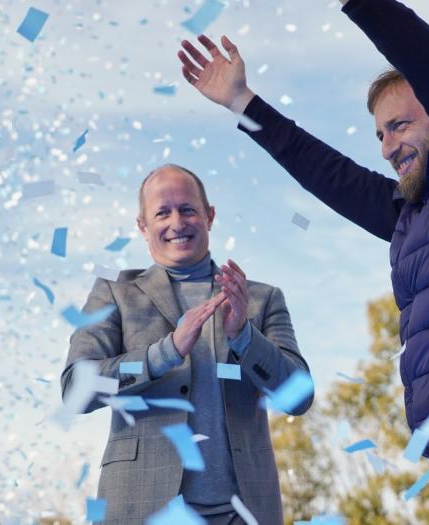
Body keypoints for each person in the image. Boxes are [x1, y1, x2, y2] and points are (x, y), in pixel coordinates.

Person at [179, 0, 429, 521]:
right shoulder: (411, 213)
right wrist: (243, 102)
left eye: (398, 125)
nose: (387, 147)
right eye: (379, 135)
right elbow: (327, 172)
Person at [61, 164, 312, 525]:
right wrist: (166, 352)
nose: (176, 222)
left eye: (188, 209)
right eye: (162, 212)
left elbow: (299, 397)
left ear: (209, 216)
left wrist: (244, 335)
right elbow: (76, 388)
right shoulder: (115, 291)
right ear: (143, 226)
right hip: (141, 508)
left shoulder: (261, 298)